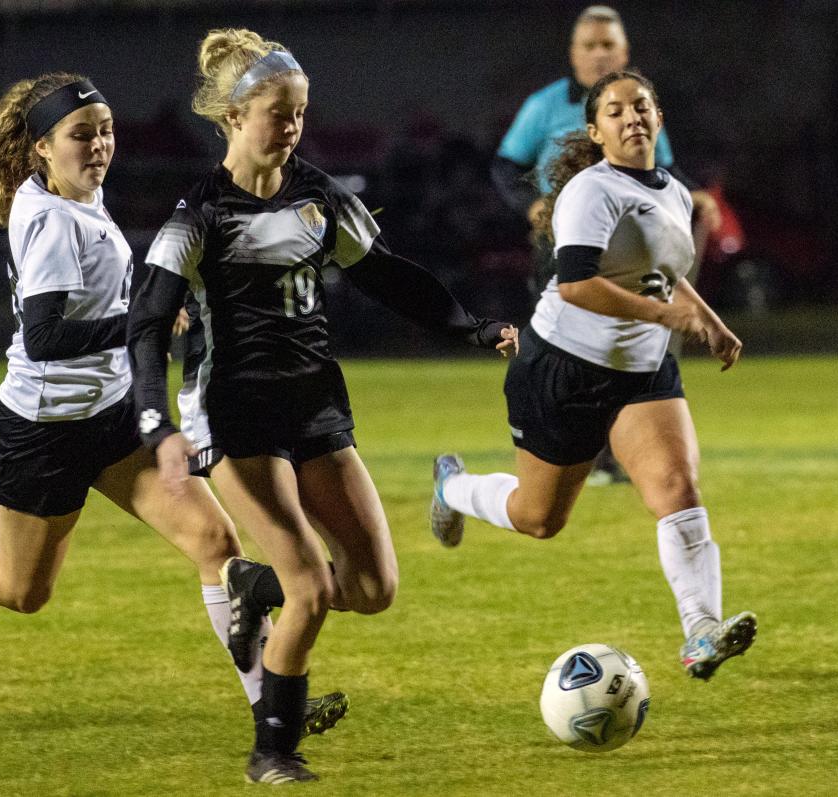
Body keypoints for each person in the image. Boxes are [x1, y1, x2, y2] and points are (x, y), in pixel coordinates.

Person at [0, 72, 346, 742]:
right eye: (83, 134)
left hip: (110, 418)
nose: (101, 144)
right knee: (20, 589)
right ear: (42, 148)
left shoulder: (73, 192)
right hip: (42, 432)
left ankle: (273, 705)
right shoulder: (52, 221)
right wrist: (142, 320)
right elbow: (48, 338)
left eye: (106, 130)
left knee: (214, 542)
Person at [128, 28, 518, 784]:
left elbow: (390, 275)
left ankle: (255, 583)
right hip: (233, 412)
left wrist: (471, 325)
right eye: (279, 112)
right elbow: (148, 325)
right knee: (311, 588)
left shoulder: (319, 196)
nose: (293, 126)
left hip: (313, 404)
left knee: (374, 587)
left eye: (301, 111)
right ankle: (272, 750)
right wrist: (156, 423)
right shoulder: (198, 214)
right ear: (235, 117)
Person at [431, 70, 756, 683]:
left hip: (641, 370)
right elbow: (578, 284)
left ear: (659, 118)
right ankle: (452, 489)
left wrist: (708, 320)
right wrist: (669, 316)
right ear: (595, 130)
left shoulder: (676, 194)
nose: (632, 117)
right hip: (562, 368)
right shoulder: (590, 189)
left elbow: (664, 269)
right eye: (616, 111)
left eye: (642, 106)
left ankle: (700, 632)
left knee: (676, 489)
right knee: (539, 519)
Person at [491, 4, 721, 484]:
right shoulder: (546, 105)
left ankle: (615, 449)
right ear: (573, 55)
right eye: (589, 46)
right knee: (572, 339)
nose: (599, 54)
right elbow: (505, 168)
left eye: (608, 45)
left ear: (625, 52)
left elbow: (663, 171)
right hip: (567, 241)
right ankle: (566, 442)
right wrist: (531, 205)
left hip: (632, 248)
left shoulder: (640, 107)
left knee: (632, 341)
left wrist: (693, 192)